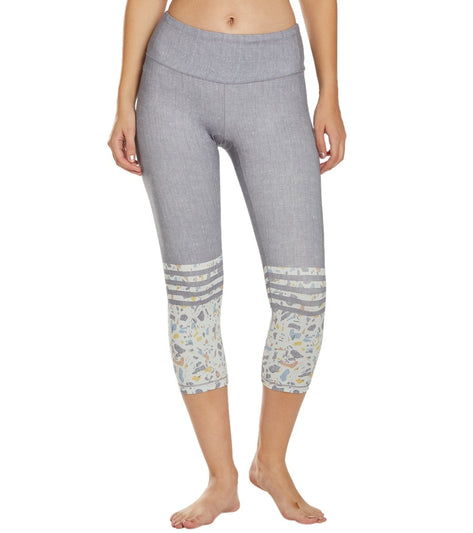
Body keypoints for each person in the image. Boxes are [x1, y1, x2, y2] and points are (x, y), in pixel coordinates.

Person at [108, 0, 346, 528]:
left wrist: (329, 91)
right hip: (174, 77)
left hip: (273, 77)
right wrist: (124, 99)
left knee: (303, 298)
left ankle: (270, 462)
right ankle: (221, 480)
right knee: (192, 294)